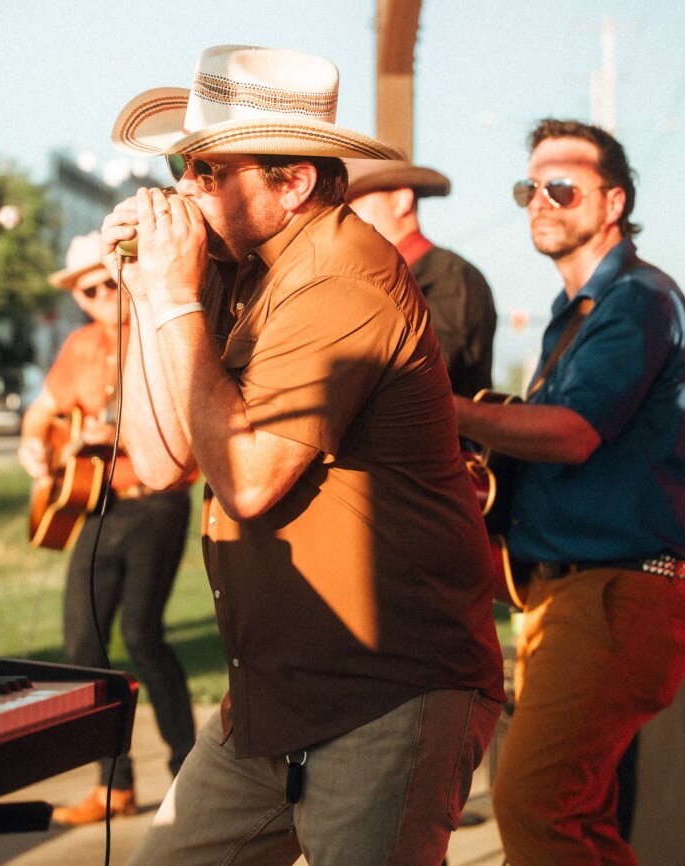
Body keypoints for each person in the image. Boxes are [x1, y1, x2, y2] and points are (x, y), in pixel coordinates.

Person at [101, 44, 506, 865]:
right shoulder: (246, 272)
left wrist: (177, 297)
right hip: (274, 696)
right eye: (184, 163)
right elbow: (157, 459)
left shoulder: (341, 280)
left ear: (291, 184)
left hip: (385, 691)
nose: (183, 187)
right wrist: (148, 297)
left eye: (208, 170)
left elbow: (248, 481)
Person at [454, 118, 685, 865]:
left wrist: (441, 408)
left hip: (615, 594)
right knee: (581, 822)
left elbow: (573, 434)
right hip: (573, 596)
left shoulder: (635, 300)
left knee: (530, 802)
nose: (540, 200)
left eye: (561, 187)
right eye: (528, 187)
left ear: (613, 202)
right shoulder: (579, 317)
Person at [17, 232, 197, 825]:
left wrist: (111, 430)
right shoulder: (80, 344)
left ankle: (189, 781)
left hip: (155, 502)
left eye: (103, 282)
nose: (95, 296)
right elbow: (43, 411)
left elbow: (182, 411)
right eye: (84, 289)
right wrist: (34, 448)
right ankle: (114, 786)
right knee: (83, 644)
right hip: (96, 505)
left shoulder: (155, 330)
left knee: (143, 636)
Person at [345, 157, 497, 397]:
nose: (344, 215)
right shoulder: (363, 280)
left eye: (353, 200)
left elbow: (420, 371)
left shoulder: (453, 277)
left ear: (402, 200)